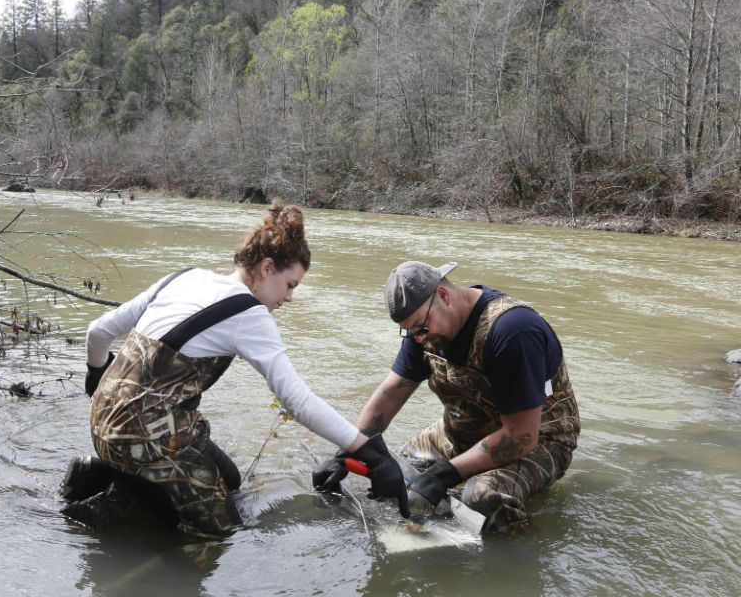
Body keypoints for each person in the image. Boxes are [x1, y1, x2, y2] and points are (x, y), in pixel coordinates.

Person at [65, 201, 409, 539]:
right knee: (221, 533)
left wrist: (97, 377)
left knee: (228, 480)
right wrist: (367, 451)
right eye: (290, 285)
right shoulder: (249, 313)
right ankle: (123, 487)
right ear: (266, 268)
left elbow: (98, 332)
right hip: (144, 439)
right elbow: (297, 400)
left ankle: (115, 472)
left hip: (99, 424)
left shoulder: (183, 277)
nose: (289, 298)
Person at [313, 261, 580, 533]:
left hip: (539, 441)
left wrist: (444, 476)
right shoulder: (424, 330)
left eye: (420, 328)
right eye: (411, 332)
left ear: (443, 295)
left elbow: (521, 436)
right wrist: (348, 452)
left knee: (481, 499)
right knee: (401, 474)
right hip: (463, 431)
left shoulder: (513, 331)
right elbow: (390, 394)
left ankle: (519, 556)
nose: (418, 339)